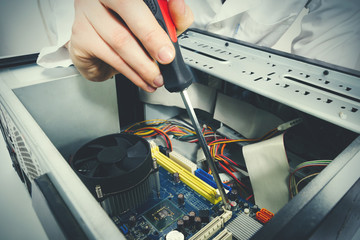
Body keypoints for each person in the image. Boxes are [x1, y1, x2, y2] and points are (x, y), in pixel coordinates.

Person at [37, 0, 360, 93]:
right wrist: (74, 28)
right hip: (149, 106)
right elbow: (73, 19)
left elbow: (333, 80)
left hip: (250, 120)